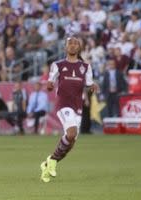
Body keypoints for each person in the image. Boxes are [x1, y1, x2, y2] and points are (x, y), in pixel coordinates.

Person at [40, 36, 98, 183]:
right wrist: (49, 85)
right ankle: (52, 161)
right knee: (71, 134)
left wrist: (93, 87)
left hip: (77, 105)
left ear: (79, 48)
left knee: (70, 143)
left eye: (75, 44)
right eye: (70, 44)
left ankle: (48, 164)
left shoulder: (86, 67)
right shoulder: (58, 65)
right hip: (63, 103)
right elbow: (50, 81)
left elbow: (89, 85)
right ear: (65, 47)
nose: (72, 46)